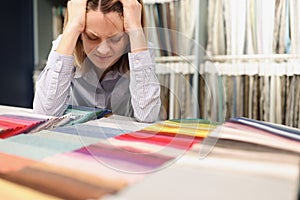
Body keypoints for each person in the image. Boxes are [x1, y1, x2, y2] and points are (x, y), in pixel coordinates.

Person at [33, 0, 161, 123]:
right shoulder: (66, 45)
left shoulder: (140, 49)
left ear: (128, 37)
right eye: (92, 37)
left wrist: (135, 29)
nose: (103, 50)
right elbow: (45, 113)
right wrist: (71, 28)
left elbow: (147, 116)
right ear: (80, 35)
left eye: (115, 39)